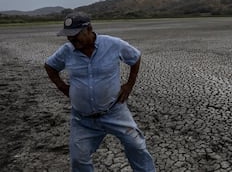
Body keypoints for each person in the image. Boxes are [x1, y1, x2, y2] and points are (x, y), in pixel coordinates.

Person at [44, 12, 156, 172]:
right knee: (78, 159)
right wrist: (63, 87)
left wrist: (129, 85)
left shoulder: (113, 44)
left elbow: (135, 57)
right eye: (68, 36)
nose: (71, 40)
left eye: (75, 35)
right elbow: (50, 66)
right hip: (82, 118)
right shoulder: (66, 51)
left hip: (114, 111)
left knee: (137, 146)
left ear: (89, 29)